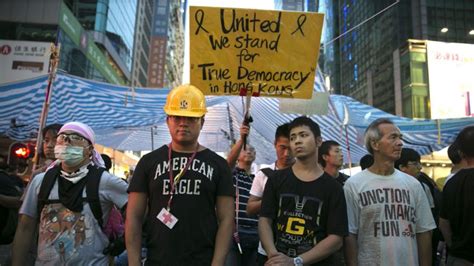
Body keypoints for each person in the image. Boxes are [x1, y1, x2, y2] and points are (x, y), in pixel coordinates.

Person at [126, 84, 234, 266]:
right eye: (177, 117)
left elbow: (227, 219)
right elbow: (134, 217)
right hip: (157, 260)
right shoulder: (148, 162)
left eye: (191, 118)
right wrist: (134, 263)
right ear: (168, 120)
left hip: (202, 261)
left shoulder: (219, 165)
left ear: (202, 122)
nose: (183, 122)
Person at [11, 122, 129, 265]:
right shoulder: (40, 182)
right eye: (62, 138)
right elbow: (25, 228)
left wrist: (124, 242)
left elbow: (139, 214)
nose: (66, 142)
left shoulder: (105, 182)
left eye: (75, 138)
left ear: (89, 150)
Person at [343, 118, 436, 266]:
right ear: (375, 144)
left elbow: (423, 231)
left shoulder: (413, 184)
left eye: (400, 138)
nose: (400, 143)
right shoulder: (353, 185)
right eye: (393, 137)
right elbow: (350, 234)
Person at [259, 116, 348, 265]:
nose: (297, 141)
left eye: (303, 135)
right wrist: (274, 256)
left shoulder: (334, 188)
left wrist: (296, 262)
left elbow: (336, 238)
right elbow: (264, 220)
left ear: (319, 141)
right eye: (293, 137)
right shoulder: (276, 180)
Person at [246, 123, 294, 265]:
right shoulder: (263, 175)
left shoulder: (306, 175)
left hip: (299, 252)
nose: (286, 154)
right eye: (282, 148)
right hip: (268, 250)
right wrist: (272, 198)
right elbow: (250, 208)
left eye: (290, 149)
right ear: (275, 144)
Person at [395, 148, 443, 265]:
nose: (420, 167)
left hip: (416, 246)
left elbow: (428, 223)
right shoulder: (388, 186)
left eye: (419, 163)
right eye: (415, 164)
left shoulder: (422, 186)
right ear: (402, 167)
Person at [224, 123, 259, 266]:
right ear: (237, 155)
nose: (249, 151)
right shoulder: (233, 174)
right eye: (245, 149)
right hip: (235, 232)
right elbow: (227, 165)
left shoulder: (258, 179)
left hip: (255, 233)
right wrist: (241, 139)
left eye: (252, 150)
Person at [439, 126, 474, 265]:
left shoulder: (452, 183)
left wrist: (454, 247)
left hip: (459, 258)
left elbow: (443, 223)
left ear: (460, 152)